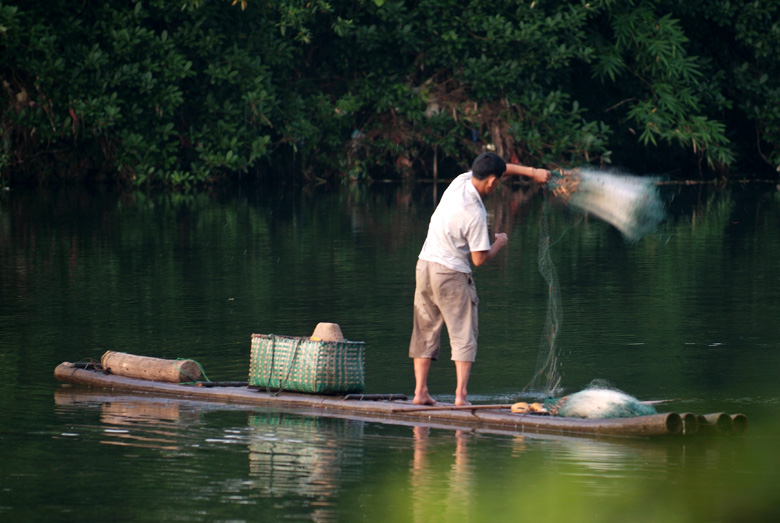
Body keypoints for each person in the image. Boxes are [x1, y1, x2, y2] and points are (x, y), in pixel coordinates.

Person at [408, 152, 550, 406]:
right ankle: (461, 397)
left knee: (425, 331)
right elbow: (479, 259)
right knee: (464, 334)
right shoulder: (475, 212)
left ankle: (420, 393)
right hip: (450, 274)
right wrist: (499, 242)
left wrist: (533, 172)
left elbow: (503, 168)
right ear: (493, 182)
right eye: (498, 182)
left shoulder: (459, 182)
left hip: (424, 266)